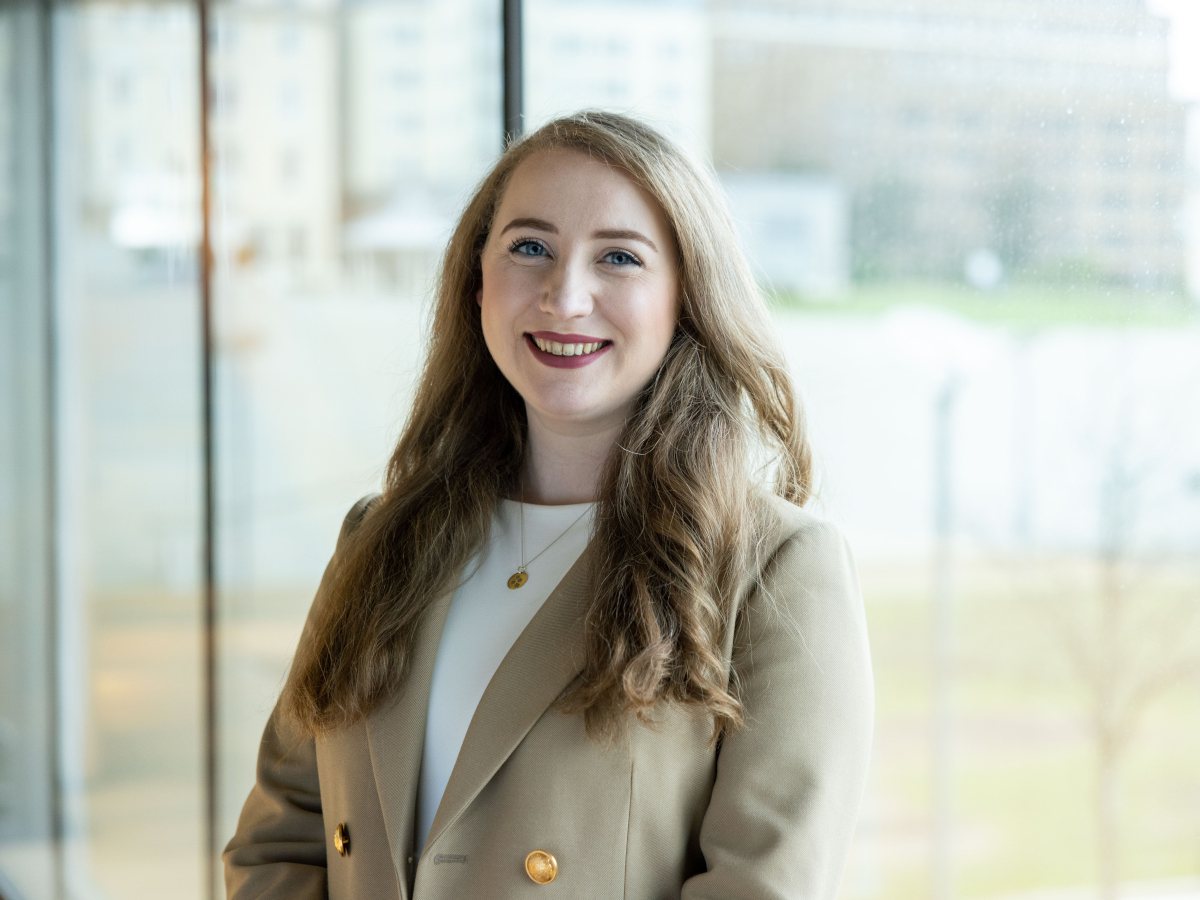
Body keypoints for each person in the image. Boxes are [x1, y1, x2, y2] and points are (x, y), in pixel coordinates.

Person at [223, 109, 874, 899]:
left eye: (619, 258)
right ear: (478, 282)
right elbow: (281, 840)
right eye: (530, 247)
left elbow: (763, 886)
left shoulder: (777, 568)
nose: (565, 298)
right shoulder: (378, 540)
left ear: (686, 298)